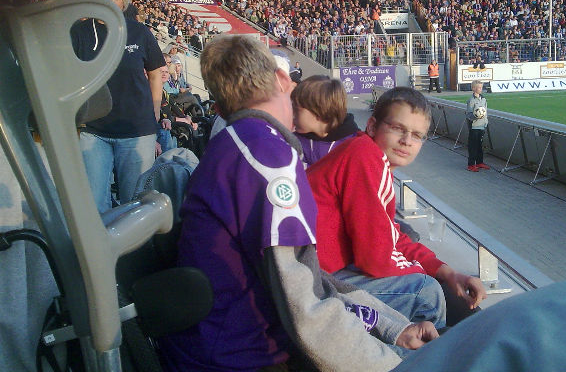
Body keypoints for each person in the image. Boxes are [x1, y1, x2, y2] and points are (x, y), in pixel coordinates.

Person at [159, 36, 438, 372]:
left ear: (219, 107)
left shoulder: (239, 144)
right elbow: (306, 307)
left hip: (222, 346)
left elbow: (309, 280)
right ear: (282, 80)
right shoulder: (267, 158)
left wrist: (392, 327)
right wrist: (393, 364)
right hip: (243, 359)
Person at [307, 87, 486, 327]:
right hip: (313, 284)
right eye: (398, 129)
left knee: (434, 284)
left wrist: (447, 272)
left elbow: (392, 237)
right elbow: (375, 259)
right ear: (372, 126)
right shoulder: (364, 156)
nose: (407, 141)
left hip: (317, 272)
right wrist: (425, 273)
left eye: (417, 135)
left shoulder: (366, 155)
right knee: (426, 292)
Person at [72, 0, 164, 214]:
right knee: (93, 206)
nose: (109, 1)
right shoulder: (79, 32)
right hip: (93, 131)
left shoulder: (139, 32)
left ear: (124, 2)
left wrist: (155, 109)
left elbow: (155, 73)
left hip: (136, 131)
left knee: (135, 206)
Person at [292, 75, 359, 167]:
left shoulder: (354, 144)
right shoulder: (294, 142)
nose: (292, 114)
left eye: (296, 110)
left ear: (319, 113)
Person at [466, 80, 489, 172]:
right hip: (474, 127)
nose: (480, 89)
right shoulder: (471, 101)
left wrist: (485, 122)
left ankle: (479, 162)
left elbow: (485, 112)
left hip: (482, 126)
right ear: (473, 89)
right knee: (473, 146)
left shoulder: (483, 99)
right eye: (479, 87)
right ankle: (471, 165)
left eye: (481, 87)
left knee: (480, 145)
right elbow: (469, 115)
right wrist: (476, 116)